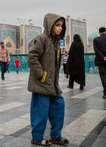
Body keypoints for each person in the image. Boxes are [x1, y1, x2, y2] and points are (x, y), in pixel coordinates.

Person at [28, 13, 69, 146]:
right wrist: (42, 75)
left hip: (52, 83)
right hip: (42, 82)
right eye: (57, 25)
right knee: (41, 110)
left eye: (61, 26)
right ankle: (37, 137)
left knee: (59, 106)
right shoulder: (42, 39)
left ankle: (55, 135)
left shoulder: (55, 41)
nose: (60, 28)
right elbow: (32, 56)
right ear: (49, 25)